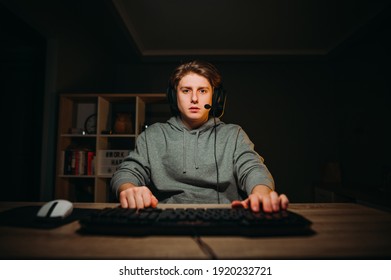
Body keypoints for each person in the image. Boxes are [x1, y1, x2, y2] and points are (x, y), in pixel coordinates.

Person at [110, 60, 289, 212]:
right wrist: (129, 190)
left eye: (203, 91)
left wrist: (261, 195)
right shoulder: (152, 135)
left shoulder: (233, 134)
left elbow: (253, 169)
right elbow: (126, 172)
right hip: (166, 217)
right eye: (186, 90)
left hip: (225, 217)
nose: (194, 98)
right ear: (174, 96)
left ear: (215, 97)